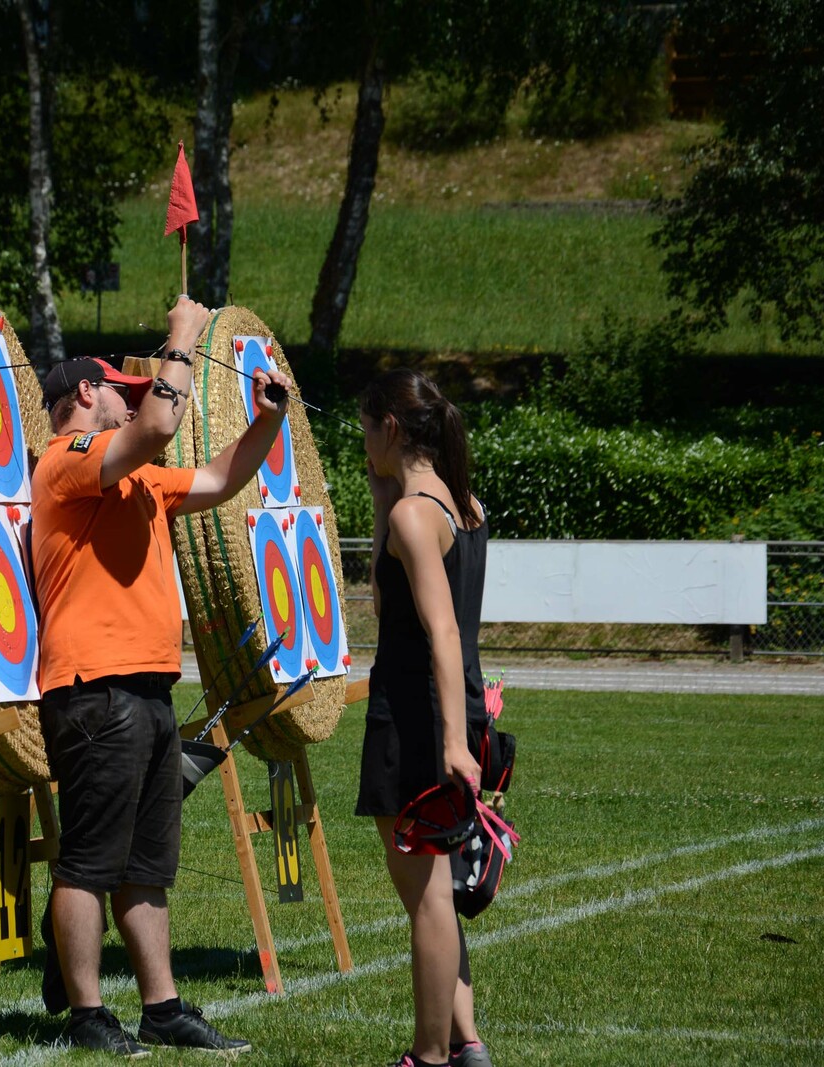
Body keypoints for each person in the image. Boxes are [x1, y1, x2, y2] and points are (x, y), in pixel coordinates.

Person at [31, 295, 291, 1057]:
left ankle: (162, 1007)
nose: (135, 400)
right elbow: (157, 427)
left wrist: (267, 422)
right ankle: (87, 1014)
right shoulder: (65, 460)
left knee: (145, 867)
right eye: (123, 390)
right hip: (94, 688)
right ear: (87, 393)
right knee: (88, 863)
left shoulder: (138, 476)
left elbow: (216, 479)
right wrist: (183, 335)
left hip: (144, 690)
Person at [356, 369, 495, 1067]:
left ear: (389, 427)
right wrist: (382, 501)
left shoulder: (416, 515)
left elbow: (440, 631)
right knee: (435, 888)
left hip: (416, 719)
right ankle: (466, 1043)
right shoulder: (464, 505)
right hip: (449, 708)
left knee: (428, 896)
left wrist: (451, 744)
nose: (361, 443)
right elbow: (399, 610)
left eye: (365, 429)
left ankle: (430, 1055)